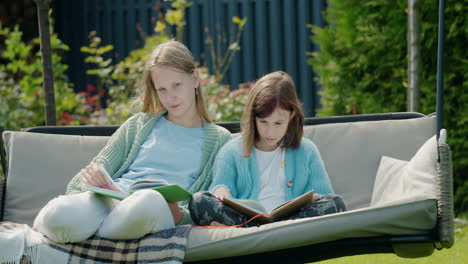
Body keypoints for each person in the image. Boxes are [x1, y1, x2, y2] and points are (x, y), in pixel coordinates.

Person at [33, 40, 232, 243]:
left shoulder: (219, 139)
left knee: (150, 200)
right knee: (57, 215)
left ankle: (90, 235)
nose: (170, 96)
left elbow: (208, 206)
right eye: (161, 89)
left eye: (176, 85)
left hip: (155, 210)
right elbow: (82, 180)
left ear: (195, 79)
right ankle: (91, 233)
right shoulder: (138, 124)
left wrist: (180, 216)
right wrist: (94, 177)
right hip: (111, 200)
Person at [189, 71, 347, 227]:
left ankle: (271, 231)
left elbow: (325, 196)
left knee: (336, 203)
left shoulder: (307, 150)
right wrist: (221, 191)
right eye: (263, 122)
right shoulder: (230, 151)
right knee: (199, 201)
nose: (270, 132)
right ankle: (258, 230)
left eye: (278, 123)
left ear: (292, 115)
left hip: (293, 222)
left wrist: (313, 200)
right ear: (253, 117)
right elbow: (220, 186)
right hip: (248, 220)